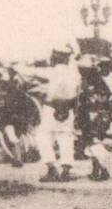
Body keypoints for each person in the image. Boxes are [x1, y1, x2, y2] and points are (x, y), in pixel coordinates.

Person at [32, 52, 81, 183]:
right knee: (66, 138)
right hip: (67, 109)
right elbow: (78, 93)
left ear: (55, 59)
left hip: (51, 108)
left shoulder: (50, 72)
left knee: (43, 136)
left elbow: (31, 73)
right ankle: (66, 171)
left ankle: (51, 169)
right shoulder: (74, 74)